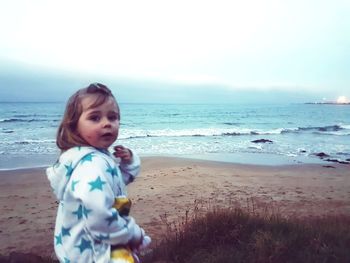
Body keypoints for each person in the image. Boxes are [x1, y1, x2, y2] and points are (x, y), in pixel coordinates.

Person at [47, 83, 150, 263]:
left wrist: (129, 161)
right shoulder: (92, 165)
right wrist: (133, 234)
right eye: (95, 118)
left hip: (89, 248)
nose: (107, 124)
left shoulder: (92, 158)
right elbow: (100, 217)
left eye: (113, 117)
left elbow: (117, 181)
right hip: (96, 252)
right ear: (73, 126)